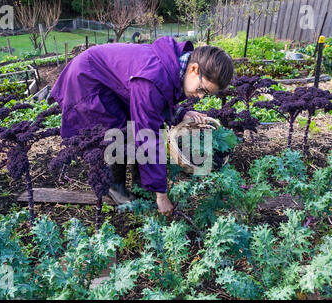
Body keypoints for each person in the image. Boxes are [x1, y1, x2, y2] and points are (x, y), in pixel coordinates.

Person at [49, 36, 234, 215]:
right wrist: (162, 195)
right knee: (117, 131)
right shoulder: (153, 78)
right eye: (203, 89)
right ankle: (115, 187)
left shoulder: (176, 65)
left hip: (108, 79)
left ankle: (142, 187)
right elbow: (147, 136)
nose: (201, 96)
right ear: (194, 69)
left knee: (135, 128)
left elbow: (162, 98)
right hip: (88, 79)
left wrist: (181, 113)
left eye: (206, 94)